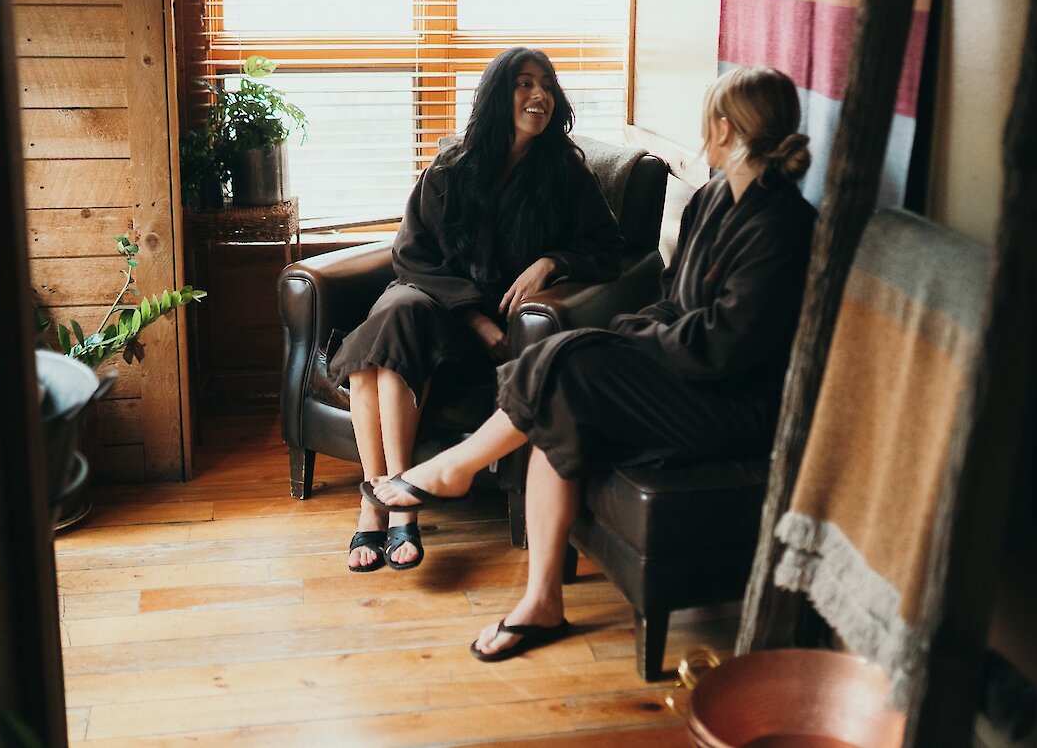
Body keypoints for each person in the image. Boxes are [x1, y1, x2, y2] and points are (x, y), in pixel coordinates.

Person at [367, 65, 817, 659]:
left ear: (727, 130)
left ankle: (456, 469)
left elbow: (725, 345)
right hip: (689, 374)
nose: (701, 131)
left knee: (569, 364)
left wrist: (628, 348)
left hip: (736, 403)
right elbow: (675, 303)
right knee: (566, 384)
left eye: (708, 119)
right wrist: (628, 336)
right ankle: (542, 602)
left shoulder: (782, 223)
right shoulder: (711, 200)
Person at [329, 47, 623, 573]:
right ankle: (395, 507)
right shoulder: (451, 169)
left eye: (547, 85)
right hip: (442, 313)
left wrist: (551, 262)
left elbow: (609, 248)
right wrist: (473, 315)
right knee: (398, 315)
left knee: (386, 340)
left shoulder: (565, 175)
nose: (539, 96)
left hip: (502, 337)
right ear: (496, 96)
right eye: (524, 84)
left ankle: (380, 503)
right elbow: (411, 256)